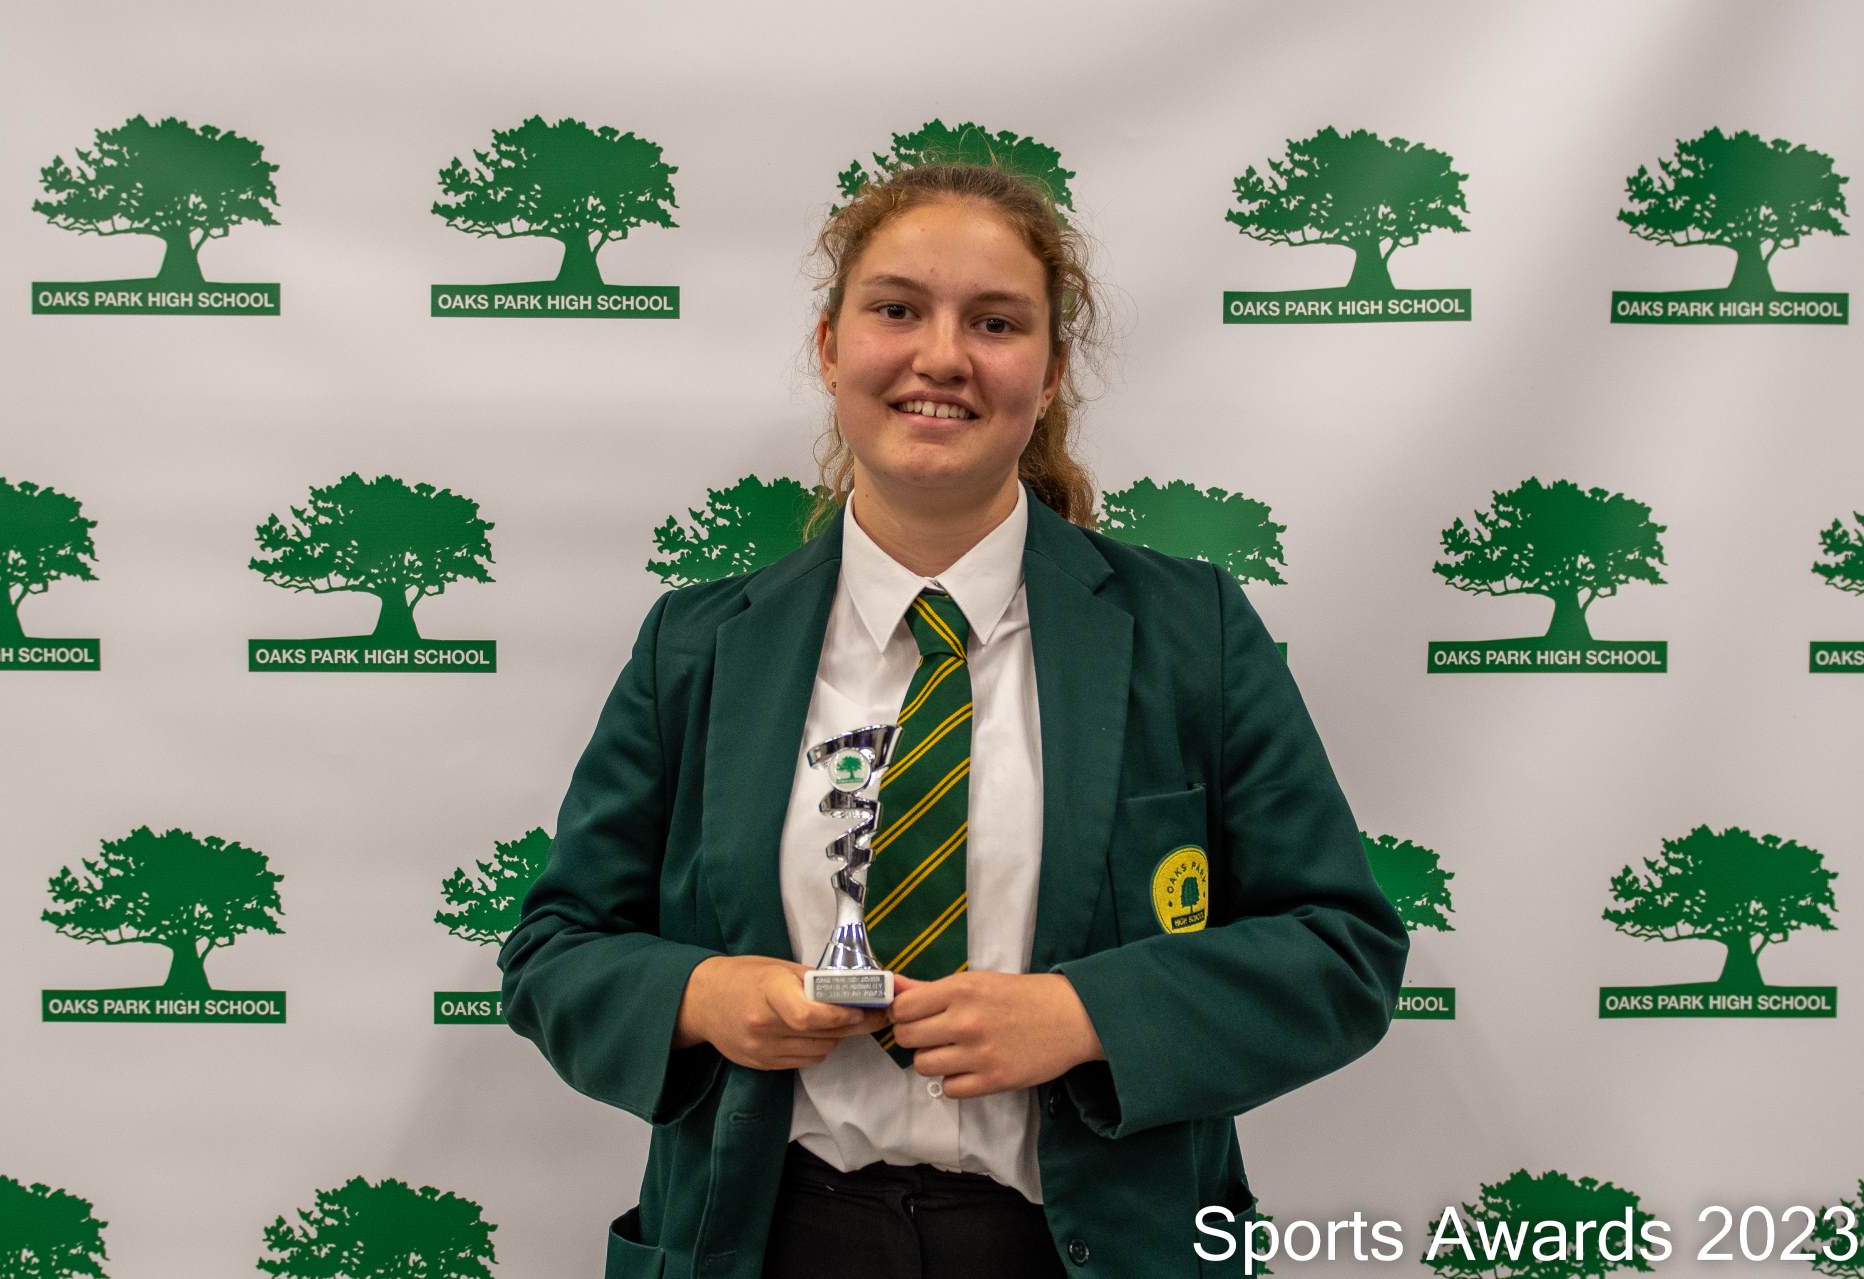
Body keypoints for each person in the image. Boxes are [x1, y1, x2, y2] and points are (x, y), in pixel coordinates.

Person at [498, 161, 1408, 1279]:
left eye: (995, 322)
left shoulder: (1192, 633)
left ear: (1051, 371)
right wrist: (701, 996)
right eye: (896, 310)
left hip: (1085, 1252)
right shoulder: (695, 645)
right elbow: (554, 951)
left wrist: (1085, 1014)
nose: (941, 356)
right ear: (830, 348)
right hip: (768, 1244)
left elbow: (1340, 950)